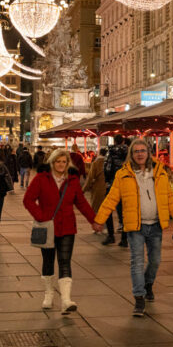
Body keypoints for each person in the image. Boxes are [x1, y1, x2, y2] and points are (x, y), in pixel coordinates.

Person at [94, 139, 173, 317]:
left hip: (156, 224)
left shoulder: (159, 172)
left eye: (143, 150)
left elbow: (168, 197)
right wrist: (100, 219)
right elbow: (111, 199)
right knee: (136, 262)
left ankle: (148, 283)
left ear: (148, 153)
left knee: (155, 261)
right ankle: (139, 298)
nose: (140, 154)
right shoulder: (123, 174)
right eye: (136, 151)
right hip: (135, 226)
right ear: (132, 154)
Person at [23, 148, 96, 313]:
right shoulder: (41, 179)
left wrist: (94, 220)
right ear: (52, 162)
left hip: (67, 227)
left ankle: (65, 300)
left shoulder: (73, 180)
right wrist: (40, 216)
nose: (61, 165)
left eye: (64, 161)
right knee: (48, 261)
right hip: (47, 227)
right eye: (58, 161)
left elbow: (81, 202)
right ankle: (48, 294)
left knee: (65, 261)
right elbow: (28, 199)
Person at [102, 134, 128, 247]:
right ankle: (124, 238)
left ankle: (111, 235)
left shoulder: (111, 151)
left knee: (107, 209)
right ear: (123, 141)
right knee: (125, 211)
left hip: (113, 183)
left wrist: (107, 180)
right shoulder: (129, 151)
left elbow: (107, 167)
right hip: (127, 184)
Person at [82, 146, 107, 217]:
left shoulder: (96, 163)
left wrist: (83, 190)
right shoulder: (108, 162)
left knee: (96, 208)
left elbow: (90, 178)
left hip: (98, 188)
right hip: (108, 188)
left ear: (99, 153)